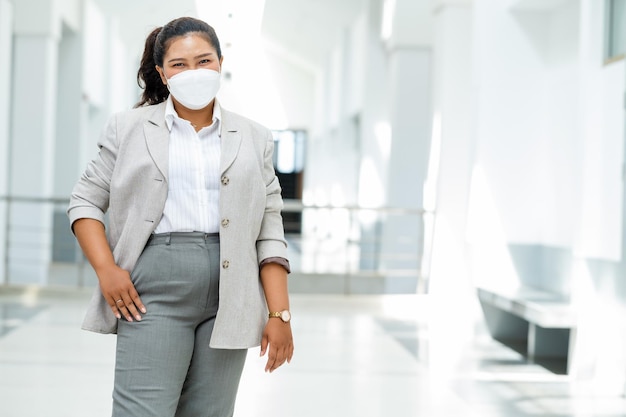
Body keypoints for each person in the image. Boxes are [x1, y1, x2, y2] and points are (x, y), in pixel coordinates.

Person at [67, 16, 294, 417]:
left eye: (204, 60)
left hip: (232, 290)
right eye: (179, 64)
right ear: (162, 72)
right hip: (155, 289)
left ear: (221, 63)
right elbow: (85, 200)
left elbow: (269, 226)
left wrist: (279, 313)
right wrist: (107, 270)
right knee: (143, 411)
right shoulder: (129, 128)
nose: (193, 72)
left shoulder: (255, 136)